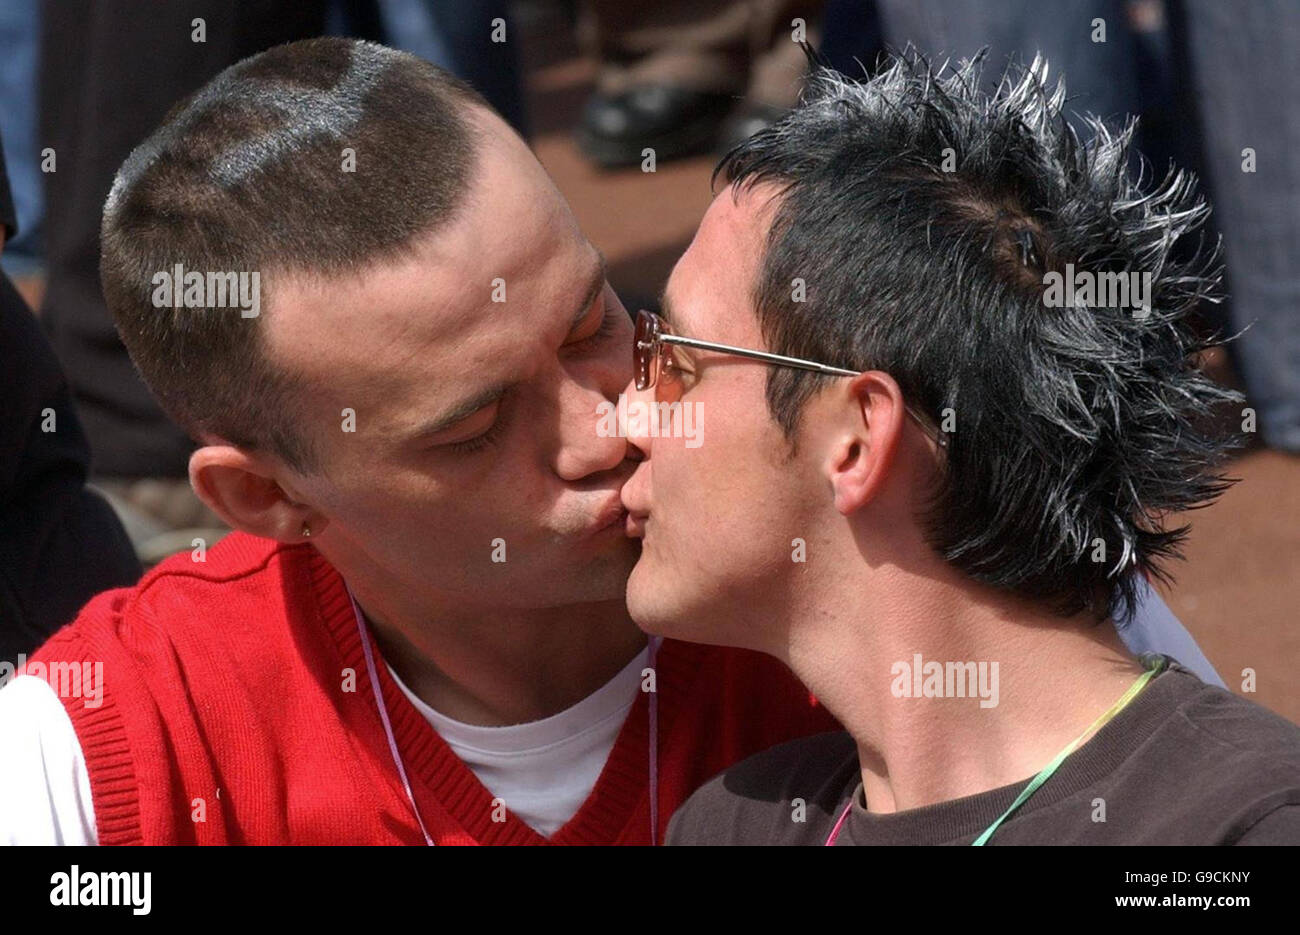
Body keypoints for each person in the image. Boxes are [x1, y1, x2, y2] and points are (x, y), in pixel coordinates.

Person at [0, 39, 1215, 846]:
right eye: (475, 427)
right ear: (266, 496)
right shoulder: (111, 752)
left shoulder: (906, 561)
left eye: (598, 321)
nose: (613, 420)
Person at [617, 55, 1300, 845]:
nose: (626, 415)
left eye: (678, 364)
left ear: (856, 438)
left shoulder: (1234, 839)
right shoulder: (730, 826)